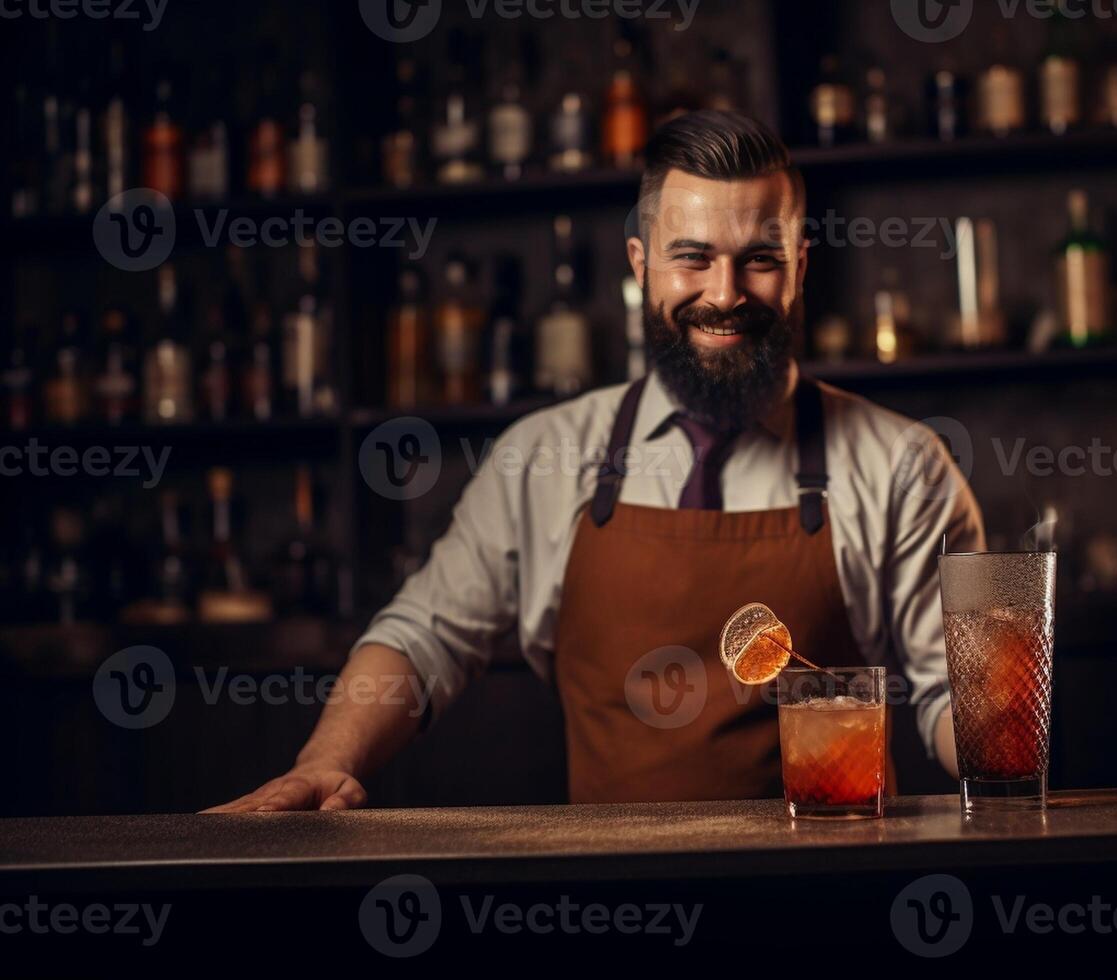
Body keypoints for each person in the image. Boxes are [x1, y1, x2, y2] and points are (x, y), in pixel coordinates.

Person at [205, 110, 983, 812]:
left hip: (830, 906)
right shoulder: (542, 458)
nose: (724, 293)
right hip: (613, 900)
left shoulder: (902, 465)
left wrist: (999, 741)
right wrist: (325, 763)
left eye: (758, 260)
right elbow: (423, 638)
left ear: (801, 267)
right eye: (692, 257)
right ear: (641, 265)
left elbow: (958, 694)